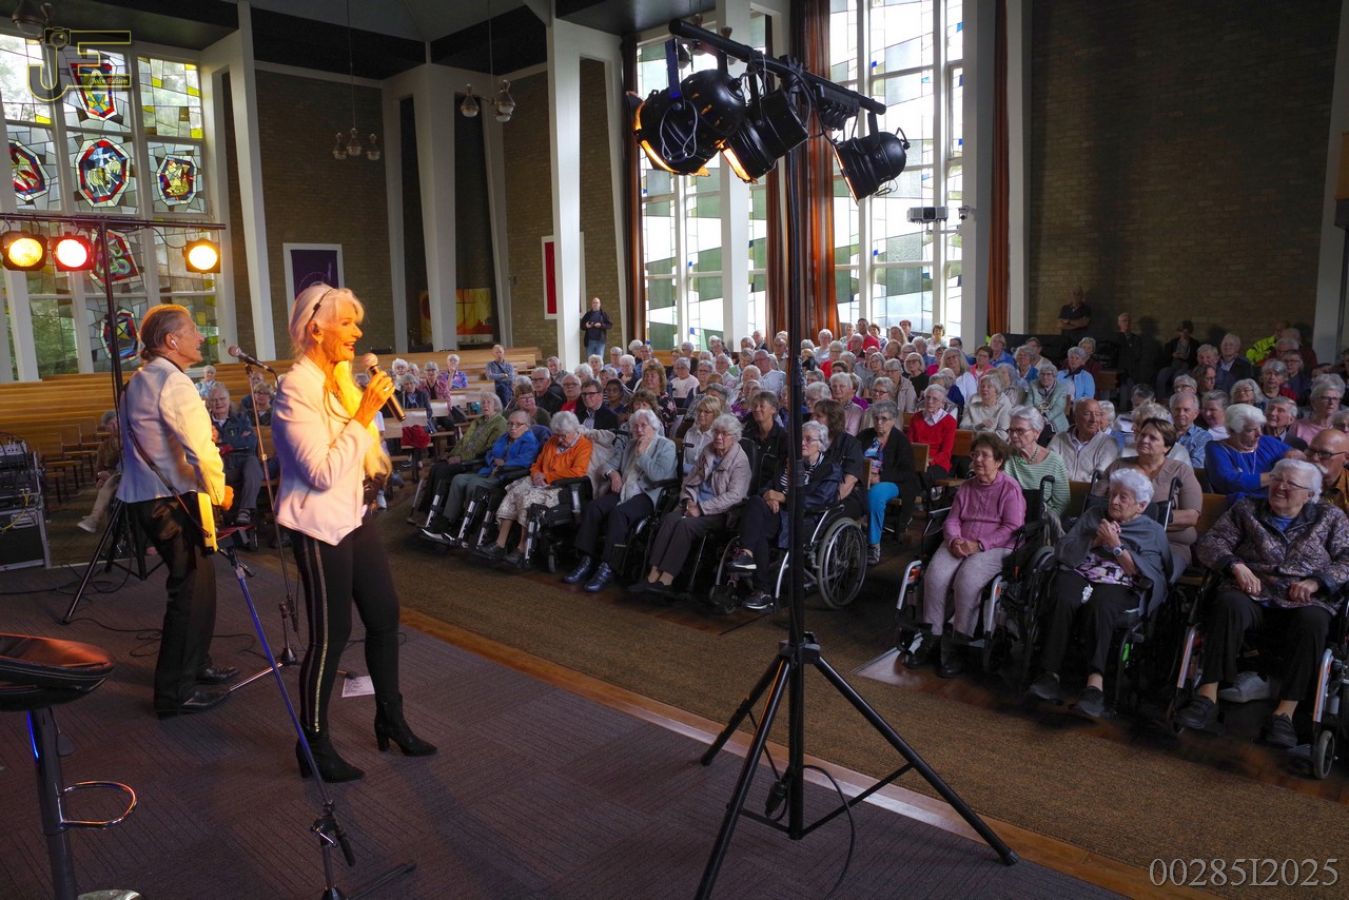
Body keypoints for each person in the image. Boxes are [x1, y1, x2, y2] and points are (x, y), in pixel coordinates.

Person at [270, 285, 436, 781]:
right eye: (347, 323)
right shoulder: (295, 388)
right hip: (317, 524)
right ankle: (312, 744)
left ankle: (391, 719)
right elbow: (320, 473)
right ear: (315, 329)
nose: (358, 332)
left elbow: (358, 452)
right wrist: (365, 413)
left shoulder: (339, 378)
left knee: (385, 618)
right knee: (331, 636)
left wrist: (370, 432)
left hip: (353, 517)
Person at [1176, 460, 1349, 748]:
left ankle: (1285, 713)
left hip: (1304, 599)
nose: (1280, 487)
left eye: (1290, 483)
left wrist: (1317, 582)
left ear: (1310, 494)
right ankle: (1207, 696)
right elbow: (1211, 543)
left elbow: (1347, 558)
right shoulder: (1247, 509)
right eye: (1277, 479)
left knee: (1315, 622)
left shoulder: (1330, 517)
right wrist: (1236, 566)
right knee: (1227, 604)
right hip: (1252, 591)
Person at [1028, 469, 1173, 716]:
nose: (1114, 501)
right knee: (1063, 594)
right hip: (1081, 570)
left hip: (1121, 582)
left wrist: (1116, 546)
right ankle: (1049, 674)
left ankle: (1095, 685)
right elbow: (1064, 550)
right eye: (1112, 494)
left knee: (1101, 605)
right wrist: (1095, 541)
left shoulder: (1153, 531)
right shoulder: (1094, 514)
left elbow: (1146, 574)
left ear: (1141, 505)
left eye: (1123, 497)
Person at [907, 434, 1026, 676]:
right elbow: (952, 519)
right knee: (935, 577)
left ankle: (958, 643)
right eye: (975, 454)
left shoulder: (1009, 488)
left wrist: (979, 544)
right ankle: (931, 637)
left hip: (995, 546)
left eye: (984, 455)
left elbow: (1012, 527)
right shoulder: (967, 486)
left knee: (967, 581)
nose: (978, 459)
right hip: (961, 540)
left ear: (998, 461)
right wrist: (954, 539)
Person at [732, 420, 841, 612]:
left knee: (758, 530)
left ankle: (761, 587)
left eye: (808, 439)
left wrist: (782, 498)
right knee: (756, 501)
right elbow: (768, 486)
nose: (802, 443)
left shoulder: (830, 468)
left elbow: (818, 500)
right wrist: (769, 496)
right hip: (777, 515)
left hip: (802, 520)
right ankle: (748, 559)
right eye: (800, 438)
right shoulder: (787, 460)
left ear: (821, 444)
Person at [564, 409, 678, 591]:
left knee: (619, 513)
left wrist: (642, 455)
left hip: (647, 495)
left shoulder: (666, 446)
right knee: (594, 507)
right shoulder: (631, 444)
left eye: (643, 425)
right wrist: (613, 474)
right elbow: (606, 466)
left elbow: (658, 476)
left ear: (654, 426)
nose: (639, 430)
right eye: (635, 426)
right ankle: (586, 559)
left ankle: (608, 566)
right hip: (624, 490)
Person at [478, 411, 592, 564]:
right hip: (539, 480)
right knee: (514, 491)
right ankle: (500, 543)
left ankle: (522, 548)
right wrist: (536, 474)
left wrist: (547, 476)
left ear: (574, 431)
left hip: (560, 486)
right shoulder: (552, 441)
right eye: (557, 435)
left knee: (527, 498)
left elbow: (578, 471)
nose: (559, 439)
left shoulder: (583, 445)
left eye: (563, 436)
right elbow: (537, 463)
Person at [1094, 417, 1202, 570]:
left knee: (1155, 570)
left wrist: (1137, 518)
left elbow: (1191, 516)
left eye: (1152, 438)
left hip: (1168, 543)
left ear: (1167, 447)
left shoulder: (1181, 470)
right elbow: (1095, 502)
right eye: (1142, 435)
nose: (1144, 440)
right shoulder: (1119, 465)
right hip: (1118, 537)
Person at [416, 394, 508, 534]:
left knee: (443, 472)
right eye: (483, 403)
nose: (485, 405)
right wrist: (451, 455)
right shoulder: (478, 421)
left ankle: (438, 513)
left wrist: (461, 458)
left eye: (488, 402)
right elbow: (462, 442)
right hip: (462, 457)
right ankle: (429, 511)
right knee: (436, 467)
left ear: (496, 405)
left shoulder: (500, 423)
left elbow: (488, 449)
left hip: (475, 461)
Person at [859, 401, 919, 565]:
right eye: (876, 418)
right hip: (862, 478)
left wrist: (880, 477)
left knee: (876, 494)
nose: (879, 422)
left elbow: (906, 472)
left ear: (893, 420)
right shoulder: (864, 436)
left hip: (892, 482)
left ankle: (873, 544)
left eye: (884, 419)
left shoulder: (901, 440)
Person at [1205, 403, 1292, 503]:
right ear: (1232, 431)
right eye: (1251, 430)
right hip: (1239, 506)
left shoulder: (1266, 441)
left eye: (1260, 427)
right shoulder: (1216, 448)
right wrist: (1277, 476)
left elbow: (1297, 456)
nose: (1259, 434)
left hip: (1274, 502)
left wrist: (1295, 455)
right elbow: (1229, 481)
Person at [205, 384, 263, 527]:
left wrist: (223, 443)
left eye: (222, 399)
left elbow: (251, 442)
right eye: (214, 400)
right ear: (209, 403)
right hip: (220, 465)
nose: (218, 403)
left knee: (253, 462)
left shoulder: (241, 418)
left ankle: (245, 510)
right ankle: (219, 515)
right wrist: (237, 440)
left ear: (229, 399)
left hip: (242, 463)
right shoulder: (204, 422)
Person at [1004, 406, 1070, 516]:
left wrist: (1044, 521)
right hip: (1008, 517)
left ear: (1036, 433)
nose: (1014, 435)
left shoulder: (1054, 461)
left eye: (1020, 431)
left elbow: (1061, 504)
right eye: (1011, 430)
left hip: (1041, 520)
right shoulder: (1004, 457)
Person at [1047, 397, 1120, 482]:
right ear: (1075, 417)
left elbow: (1099, 478)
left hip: (1089, 490)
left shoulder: (1108, 443)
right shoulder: (1059, 438)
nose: (1094, 420)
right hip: (1058, 488)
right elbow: (1049, 467)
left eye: (1097, 414)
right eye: (1087, 414)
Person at [78, 410, 122, 534]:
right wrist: (100, 477)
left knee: (111, 482)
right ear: (107, 429)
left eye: (116, 423)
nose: (115, 427)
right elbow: (98, 469)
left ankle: (94, 518)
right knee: (107, 484)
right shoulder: (104, 446)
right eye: (111, 425)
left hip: (129, 475)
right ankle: (106, 524)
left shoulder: (131, 439)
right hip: (112, 478)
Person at [908, 383, 958, 485]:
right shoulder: (916, 417)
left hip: (938, 463)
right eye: (927, 397)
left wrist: (929, 461)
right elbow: (909, 443)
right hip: (916, 461)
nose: (930, 401)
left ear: (942, 403)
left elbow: (946, 452)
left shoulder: (949, 421)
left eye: (935, 399)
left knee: (920, 475)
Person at [1291, 375, 1345, 445]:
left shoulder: (1344, 428)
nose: (1331, 403)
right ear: (1313, 401)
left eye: (1335, 399)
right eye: (1326, 398)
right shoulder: (1298, 427)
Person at [1024, 360, 1072, 438]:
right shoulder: (1033, 384)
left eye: (1048, 374)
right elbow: (1028, 404)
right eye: (1042, 374)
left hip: (1054, 419)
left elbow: (1058, 407)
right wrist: (1033, 417)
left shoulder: (1062, 388)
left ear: (1054, 376)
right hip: (1035, 417)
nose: (1045, 377)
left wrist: (1045, 418)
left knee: (1043, 431)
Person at [961, 372, 1013, 440]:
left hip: (994, 444)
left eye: (989, 386)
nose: (984, 389)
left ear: (996, 391)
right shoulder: (971, 407)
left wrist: (980, 435)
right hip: (972, 443)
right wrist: (980, 426)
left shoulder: (1002, 408)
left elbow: (1003, 434)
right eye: (982, 386)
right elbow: (962, 426)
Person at [1309, 427, 1349, 514]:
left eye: (1325, 453)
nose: (1314, 458)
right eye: (1311, 451)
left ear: (1346, 458)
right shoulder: (1293, 479)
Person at [1168, 391, 1212, 469]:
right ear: (1171, 411)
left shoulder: (1203, 437)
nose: (1181, 413)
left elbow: (1196, 465)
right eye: (1177, 409)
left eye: (1186, 410)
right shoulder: (1162, 433)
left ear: (1196, 413)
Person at [486, 344, 516, 409]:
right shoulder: (490, 365)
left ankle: (505, 409)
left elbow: (511, 378)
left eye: (500, 352)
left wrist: (497, 377)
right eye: (496, 352)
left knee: (504, 388)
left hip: (507, 386)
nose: (499, 354)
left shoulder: (509, 365)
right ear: (493, 354)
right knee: (502, 388)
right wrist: (503, 375)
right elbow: (489, 377)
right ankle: (506, 409)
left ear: (503, 353)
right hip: (495, 387)